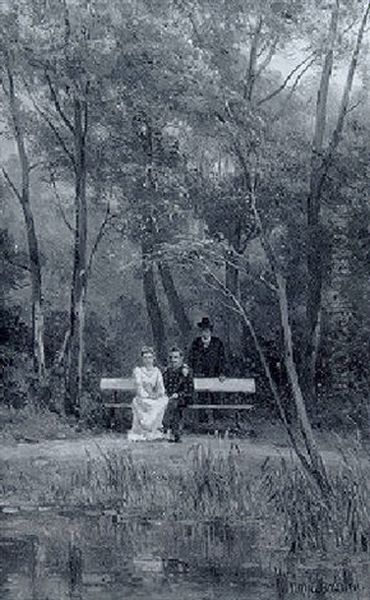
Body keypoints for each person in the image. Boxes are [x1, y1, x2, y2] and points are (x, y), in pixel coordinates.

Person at [188, 316, 226, 430]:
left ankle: (217, 423)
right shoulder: (196, 343)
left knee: (216, 398)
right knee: (202, 399)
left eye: (207, 330)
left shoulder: (217, 343)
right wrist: (195, 372)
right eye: (203, 330)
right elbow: (191, 359)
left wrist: (222, 373)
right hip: (201, 376)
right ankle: (203, 424)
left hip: (215, 376)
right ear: (201, 331)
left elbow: (222, 359)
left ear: (210, 331)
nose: (205, 332)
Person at [127, 346, 169, 442]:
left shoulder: (157, 371)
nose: (148, 360)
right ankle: (144, 431)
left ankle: (154, 430)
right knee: (145, 403)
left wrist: (157, 394)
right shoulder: (138, 371)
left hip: (154, 396)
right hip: (143, 398)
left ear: (154, 358)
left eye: (150, 357)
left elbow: (161, 387)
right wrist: (148, 395)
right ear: (142, 359)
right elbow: (139, 387)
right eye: (145, 357)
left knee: (163, 401)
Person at [163, 347, 194, 443]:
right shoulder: (167, 372)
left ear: (181, 358)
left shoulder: (186, 372)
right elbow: (163, 386)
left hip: (184, 398)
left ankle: (169, 431)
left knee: (173, 404)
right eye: (171, 357)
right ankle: (170, 432)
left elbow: (189, 389)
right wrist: (166, 394)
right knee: (165, 403)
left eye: (176, 357)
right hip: (170, 398)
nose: (173, 360)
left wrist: (178, 394)